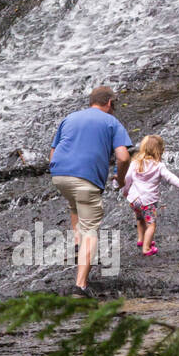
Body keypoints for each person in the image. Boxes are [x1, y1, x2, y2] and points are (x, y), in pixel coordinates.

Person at [50, 85, 132, 297]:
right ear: (110, 103)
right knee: (91, 231)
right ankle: (80, 285)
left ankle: (77, 244)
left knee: (75, 203)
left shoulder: (70, 118)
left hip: (60, 175)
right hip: (86, 180)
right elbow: (123, 157)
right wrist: (121, 179)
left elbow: (53, 150)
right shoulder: (112, 122)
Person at [122, 133, 179, 256]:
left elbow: (127, 178)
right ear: (159, 150)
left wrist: (126, 191)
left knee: (139, 218)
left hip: (134, 200)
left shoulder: (136, 163)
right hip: (147, 201)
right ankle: (146, 248)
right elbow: (170, 177)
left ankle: (141, 240)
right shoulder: (159, 166)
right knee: (151, 224)